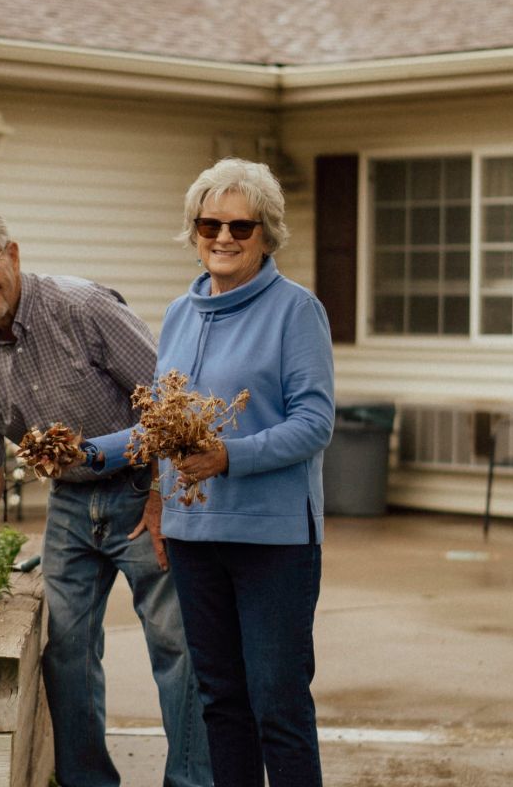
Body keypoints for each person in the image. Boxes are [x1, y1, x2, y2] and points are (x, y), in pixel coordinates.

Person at [0, 202, 211, 787]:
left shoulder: (82, 307)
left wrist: (163, 497)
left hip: (140, 490)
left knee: (177, 650)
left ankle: (192, 781)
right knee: (67, 654)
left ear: (12, 255)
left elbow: (169, 402)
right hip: (71, 508)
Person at [84, 158, 335, 787]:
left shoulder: (295, 311)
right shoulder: (180, 312)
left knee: (278, 705)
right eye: (209, 223)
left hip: (275, 541)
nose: (223, 237)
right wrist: (90, 453)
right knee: (221, 701)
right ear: (194, 229)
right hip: (196, 538)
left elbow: (314, 424)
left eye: (241, 227)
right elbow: (162, 427)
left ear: (266, 233)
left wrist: (229, 456)